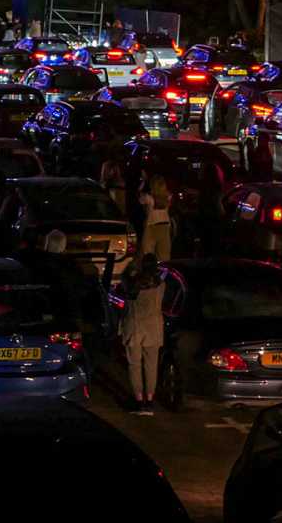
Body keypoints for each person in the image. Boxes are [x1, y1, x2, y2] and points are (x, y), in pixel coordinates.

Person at [120, 254, 165, 414]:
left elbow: (123, 277)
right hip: (153, 329)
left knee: (135, 365)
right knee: (151, 366)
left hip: (134, 327)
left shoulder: (132, 284)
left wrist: (131, 266)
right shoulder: (160, 284)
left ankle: (139, 400)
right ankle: (150, 400)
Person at [139, 173, 173, 261]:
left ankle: (149, 273)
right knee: (164, 257)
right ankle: (163, 274)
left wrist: (143, 181)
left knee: (147, 255)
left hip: (152, 226)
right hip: (165, 227)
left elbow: (139, 195)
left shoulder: (149, 198)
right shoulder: (168, 197)